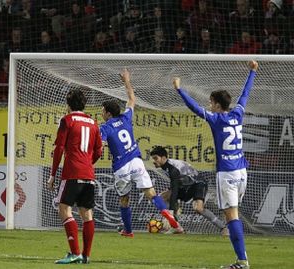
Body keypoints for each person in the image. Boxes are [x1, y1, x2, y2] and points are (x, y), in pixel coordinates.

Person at [173, 60, 259, 269]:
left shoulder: (215, 119)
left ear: (217, 104)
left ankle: (242, 261)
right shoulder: (237, 114)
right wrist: (252, 72)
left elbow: (193, 107)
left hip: (227, 174)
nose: (209, 105)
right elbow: (245, 94)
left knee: (231, 216)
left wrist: (179, 89)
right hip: (241, 171)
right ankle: (242, 259)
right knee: (233, 214)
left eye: (211, 102)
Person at [100, 69, 183, 238]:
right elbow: (131, 98)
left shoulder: (105, 127)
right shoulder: (126, 118)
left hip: (121, 166)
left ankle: (128, 231)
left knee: (124, 200)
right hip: (136, 161)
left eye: (103, 111)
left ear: (108, 113)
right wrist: (127, 81)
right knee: (152, 194)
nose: (102, 114)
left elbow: (100, 146)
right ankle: (170, 218)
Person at [47, 88, 103, 264]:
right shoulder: (93, 123)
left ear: (68, 104)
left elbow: (59, 148)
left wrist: (53, 174)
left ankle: (74, 253)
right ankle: (86, 256)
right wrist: (87, 163)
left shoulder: (67, 120)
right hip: (88, 174)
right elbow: (99, 151)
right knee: (87, 214)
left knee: (64, 209)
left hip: (72, 172)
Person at [150, 146, 228, 235]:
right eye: (153, 158)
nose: (154, 161)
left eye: (156, 158)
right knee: (162, 197)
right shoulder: (166, 166)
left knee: (198, 208)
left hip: (198, 184)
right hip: (186, 185)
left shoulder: (172, 169)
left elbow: (175, 190)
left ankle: (223, 227)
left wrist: (171, 212)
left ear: (163, 158)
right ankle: (177, 227)